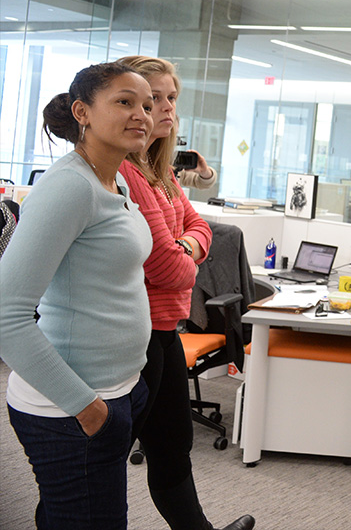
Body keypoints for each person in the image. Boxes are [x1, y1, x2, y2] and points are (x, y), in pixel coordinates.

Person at [0, 62, 155, 529]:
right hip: (70, 405)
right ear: (82, 112)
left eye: (147, 105)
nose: (142, 115)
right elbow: (6, 315)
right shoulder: (69, 186)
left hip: (117, 389)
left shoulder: (114, 178)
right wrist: (86, 408)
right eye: (124, 102)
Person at [118, 56, 255, 530]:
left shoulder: (160, 170)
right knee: (105, 457)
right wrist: (186, 250)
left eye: (170, 97)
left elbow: (199, 226)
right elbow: (169, 269)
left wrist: (186, 245)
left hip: (164, 328)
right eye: (150, 98)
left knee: (172, 445)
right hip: (135, 332)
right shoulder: (128, 173)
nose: (163, 108)